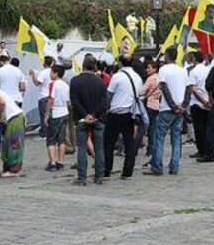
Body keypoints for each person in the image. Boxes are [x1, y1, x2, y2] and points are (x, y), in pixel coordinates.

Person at [145, 48, 192, 176]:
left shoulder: (164, 70)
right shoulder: (183, 70)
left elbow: (164, 88)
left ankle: (157, 166)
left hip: (167, 108)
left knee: (159, 138)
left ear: (166, 56)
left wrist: (172, 105)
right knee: (176, 138)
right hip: (179, 109)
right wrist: (183, 105)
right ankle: (175, 166)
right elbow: (189, 89)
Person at [71, 56, 108, 186]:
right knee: (99, 148)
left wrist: (85, 115)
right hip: (98, 119)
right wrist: (94, 114)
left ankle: (82, 177)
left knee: (81, 147)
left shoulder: (75, 81)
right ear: (95, 67)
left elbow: (74, 100)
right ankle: (99, 176)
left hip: (81, 118)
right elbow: (104, 101)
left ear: (83, 65)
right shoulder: (101, 82)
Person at [103, 57, 143, 179]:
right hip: (130, 113)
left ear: (120, 63)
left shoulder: (117, 76)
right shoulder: (137, 77)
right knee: (129, 142)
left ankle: (107, 170)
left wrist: (105, 108)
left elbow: (109, 95)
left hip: (115, 112)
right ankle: (127, 171)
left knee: (109, 143)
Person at [44, 65, 70, 171]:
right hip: (64, 112)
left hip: (55, 112)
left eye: (51, 72)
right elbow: (68, 101)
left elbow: (51, 99)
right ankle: (61, 161)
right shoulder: (66, 85)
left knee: (51, 139)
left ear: (55, 73)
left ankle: (53, 163)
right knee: (62, 139)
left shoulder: (53, 84)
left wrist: (46, 114)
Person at [187, 52, 211, 160]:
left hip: (197, 102)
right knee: (207, 128)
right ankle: (207, 149)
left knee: (199, 128)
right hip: (208, 100)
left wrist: (203, 100)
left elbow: (193, 89)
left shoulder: (193, 71)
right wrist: (208, 100)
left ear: (194, 59)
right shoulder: (209, 70)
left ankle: (201, 150)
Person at [141, 59, 161, 158]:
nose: (147, 70)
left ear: (155, 68)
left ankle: (143, 146)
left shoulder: (150, 79)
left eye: (149, 68)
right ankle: (151, 149)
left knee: (145, 127)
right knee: (153, 130)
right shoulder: (159, 78)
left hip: (149, 105)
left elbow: (142, 91)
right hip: (157, 106)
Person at [30, 56, 54, 138]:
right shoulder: (53, 72)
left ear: (44, 63)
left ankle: (44, 134)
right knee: (51, 115)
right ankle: (51, 132)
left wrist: (33, 75)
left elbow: (37, 83)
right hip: (52, 96)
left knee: (44, 115)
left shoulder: (43, 73)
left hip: (43, 96)